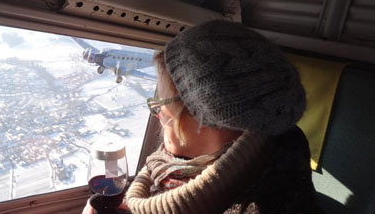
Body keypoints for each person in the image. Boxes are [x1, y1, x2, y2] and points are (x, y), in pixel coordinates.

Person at [83, 20, 323, 214]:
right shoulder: (268, 145)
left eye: (160, 105)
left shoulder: (263, 204)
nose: (156, 114)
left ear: (205, 120)